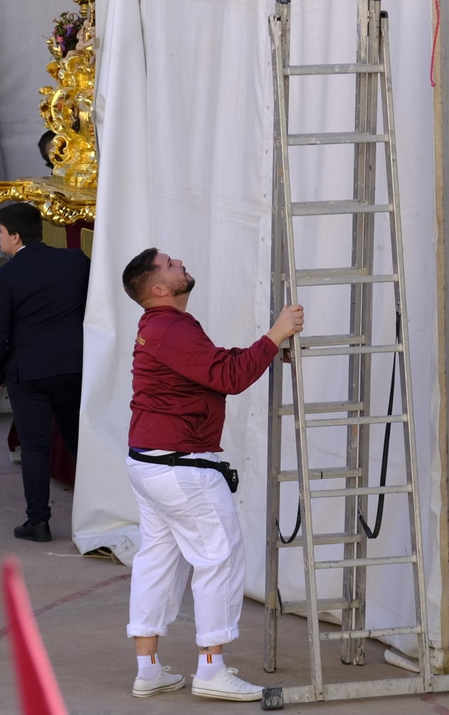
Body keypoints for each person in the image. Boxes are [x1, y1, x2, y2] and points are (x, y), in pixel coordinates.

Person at [119, 248, 304, 702]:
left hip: (151, 462)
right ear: (160, 288)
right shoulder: (169, 326)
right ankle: (211, 669)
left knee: (158, 560)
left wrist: (268, 347)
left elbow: (213, 366)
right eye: (169, 263)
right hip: (181, 468)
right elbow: (228, 376)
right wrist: (276, 334)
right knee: (218, 559)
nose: (180, 261)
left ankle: (149, 669)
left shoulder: (158, 326)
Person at [0, 204, 90, 543]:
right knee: (80, 443)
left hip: (26, 372)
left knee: (34, 447)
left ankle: (38, 521)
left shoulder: (4, 277)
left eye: (0, 233)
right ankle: (97, 513)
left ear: (15, 236)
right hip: (74, 367)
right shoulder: (76, 262)